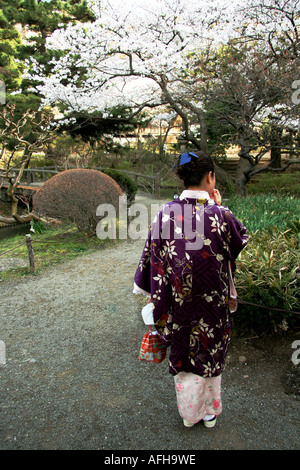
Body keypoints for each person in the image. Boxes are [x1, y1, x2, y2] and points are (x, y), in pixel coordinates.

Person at [133, 150, 248, 428]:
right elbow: (236, 243)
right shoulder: (221, 214)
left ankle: (189, 415)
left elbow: (152, 259)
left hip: (178, 306)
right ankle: (210, 413)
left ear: (182, 178)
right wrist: (218, 206)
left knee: (185, 356)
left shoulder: (164, 213)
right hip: (213, 308)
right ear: (210, 177)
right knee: (210, 354)